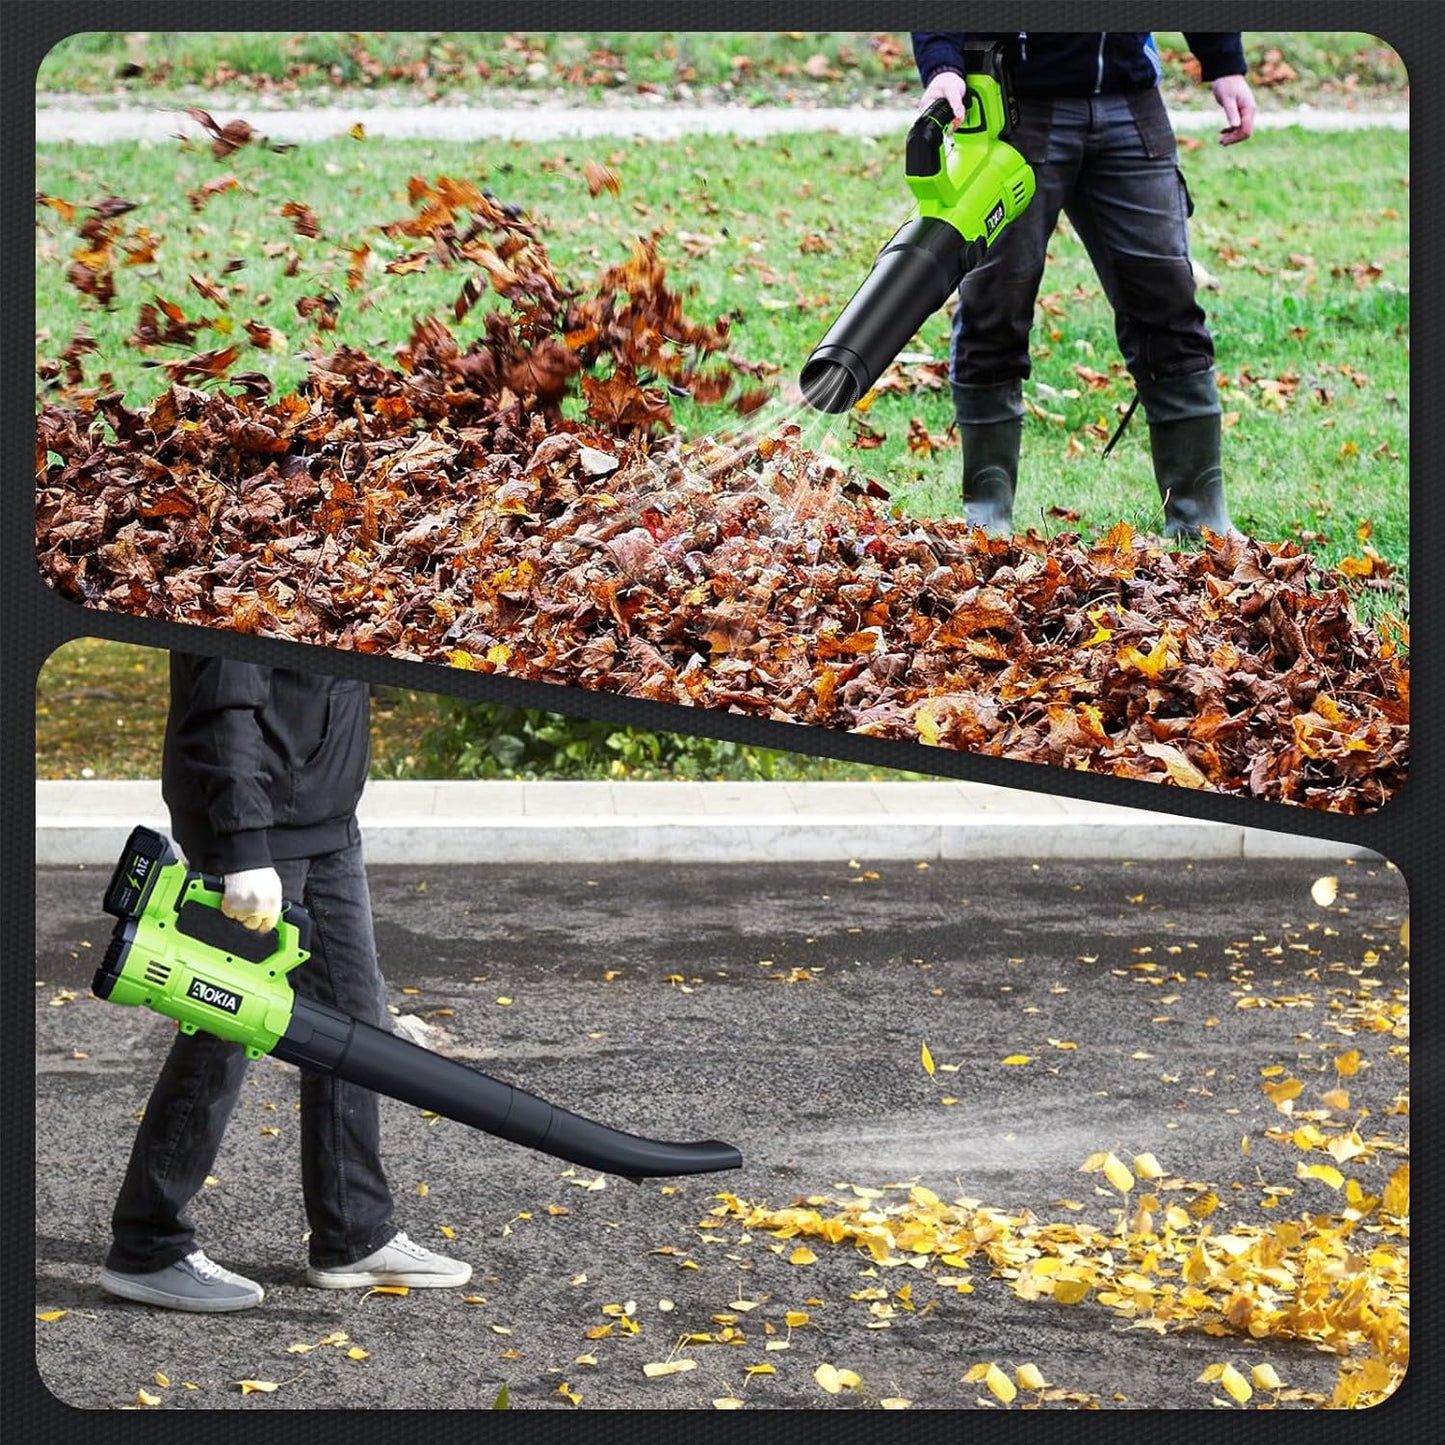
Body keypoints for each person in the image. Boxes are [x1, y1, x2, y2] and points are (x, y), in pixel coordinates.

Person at [99, 653, 472, 1312]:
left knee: (354, 1027)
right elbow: (223, 702)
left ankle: (354, 1232)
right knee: (220, 1033)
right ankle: (146, 1245)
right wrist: (244, 849)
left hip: (326, 823)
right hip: (257, 832)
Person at [911, 31, 1256, 539]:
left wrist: (1223, 60)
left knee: (1169, 306)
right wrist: (942, 66)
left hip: (1130, 101)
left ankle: (1201, 524)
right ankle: (988, 523)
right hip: (1014, 107)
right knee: (993, 306)